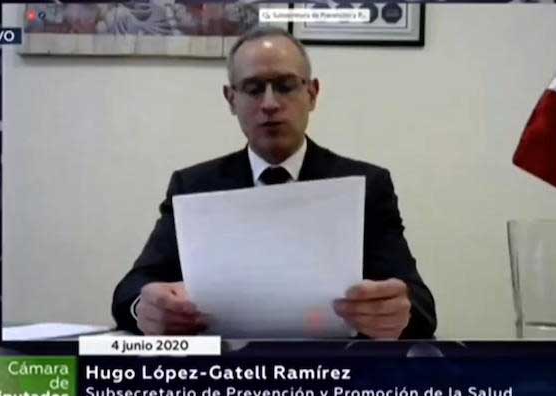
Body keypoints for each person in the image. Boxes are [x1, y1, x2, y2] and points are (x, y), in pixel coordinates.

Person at [112, 26, 436, 339]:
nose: (269, 104)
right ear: (231, 99)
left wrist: (397, 313)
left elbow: (421, 306)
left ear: (312, 93)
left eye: (285, 86)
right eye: (253, 89)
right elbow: (131, 290)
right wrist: (146, 309)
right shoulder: (194, 185)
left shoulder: (367, 185)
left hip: (333, 368)